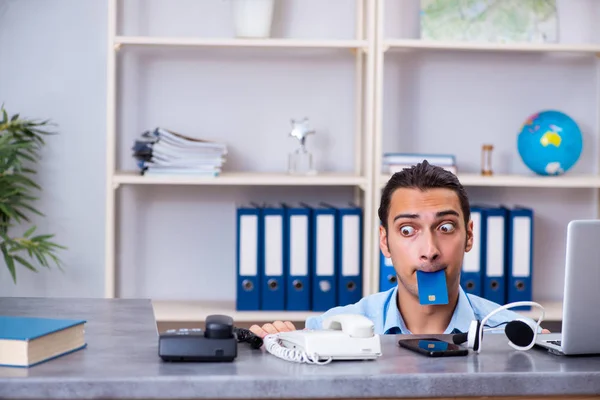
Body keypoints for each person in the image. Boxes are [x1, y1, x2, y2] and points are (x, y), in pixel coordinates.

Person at [249, 161, 548, 338]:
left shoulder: (510, 334)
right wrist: (277, 347)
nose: (429, 251)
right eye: (407, 230)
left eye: (445, 228)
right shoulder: (332, 330)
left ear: (468, 236)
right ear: (385, 242)